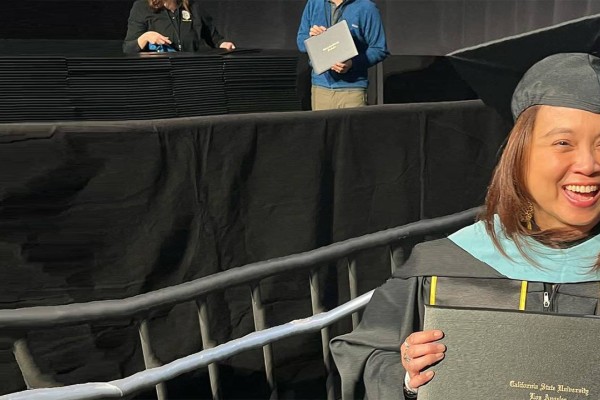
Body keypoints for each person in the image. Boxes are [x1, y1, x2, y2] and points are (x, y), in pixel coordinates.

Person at [330, 52, 600, 399]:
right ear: (520, 154)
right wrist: (408, 378)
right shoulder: (443, 264)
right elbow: (364, 357)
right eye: (563, 142)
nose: (589, 164)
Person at [296, 0, 388, 110]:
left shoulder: (366, 7)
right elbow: (301, 42)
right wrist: (312, 39)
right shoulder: (314, 3)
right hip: (320, 88)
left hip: (352, 90)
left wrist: (352, 63)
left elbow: (379, 49)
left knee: (352, 128)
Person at [123, 0, 235, 54]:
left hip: (189, 75)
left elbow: (214, 37)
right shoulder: (141, 7)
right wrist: (146, 37)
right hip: (157, 79)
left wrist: (223, 43)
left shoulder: (193, 7)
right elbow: (128, 48)